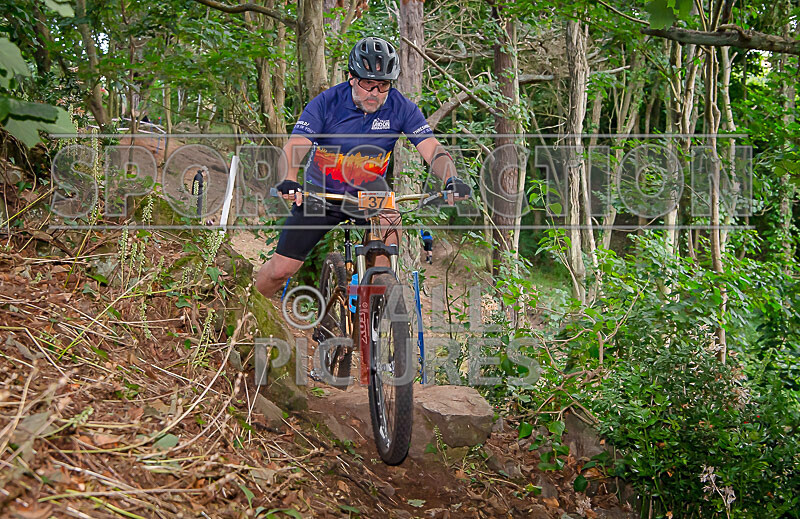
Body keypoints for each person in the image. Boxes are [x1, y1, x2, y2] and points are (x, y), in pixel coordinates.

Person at [255, 36, 471, 297]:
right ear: (351, 77)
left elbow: (432, 149)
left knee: (389, 231)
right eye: (368, 84)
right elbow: (295, 147)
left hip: (369, 195)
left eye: (383, 86)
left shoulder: (401, 107)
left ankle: (372, 321)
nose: (375, 93)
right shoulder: (326, 103)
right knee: (281, 270)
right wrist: (289, 179)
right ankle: (249, 306)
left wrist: (451, 178)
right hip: (321, 194)